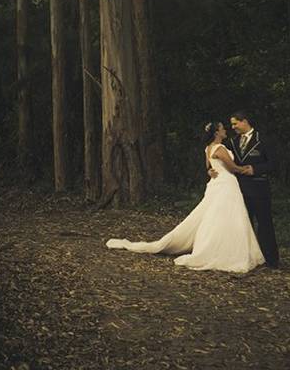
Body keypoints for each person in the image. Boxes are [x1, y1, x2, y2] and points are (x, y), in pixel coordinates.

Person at [105, 120, 265, 273]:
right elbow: (232, 167)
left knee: (218, 215)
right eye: (223, 128)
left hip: (217, 184)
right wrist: (246, 169)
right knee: (227, 216)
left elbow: (208, 167)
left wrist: (210, 172)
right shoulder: (221, 148)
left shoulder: (208, 148)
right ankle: (223, 250)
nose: (225, 130)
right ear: (217, 132)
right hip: (226, 183)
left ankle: (223, 246)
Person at [208, 110, 280, 268]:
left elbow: (273, 163)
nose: (233, 127)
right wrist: (211, 170)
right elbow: (216, 155)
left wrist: (255, 169)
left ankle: (271, 260)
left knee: (264, 224)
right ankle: (245, 257)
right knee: (241, 224)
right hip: (237, 190)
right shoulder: (232, 142)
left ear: (245, 121)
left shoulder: (263, 139)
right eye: (231, 124)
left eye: (235, 123)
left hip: (259, 187)